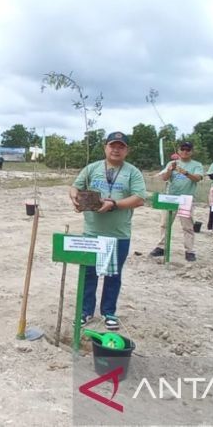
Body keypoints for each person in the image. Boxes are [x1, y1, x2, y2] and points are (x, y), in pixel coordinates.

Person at [69, 131, 146, 331]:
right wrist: (75, 198)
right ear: (105, 147)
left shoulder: (132, 172)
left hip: (118, 234)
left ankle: (109, 312)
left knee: (113, 274)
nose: (116, 150)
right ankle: (85, 312)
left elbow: (139, 198)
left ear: (126, 150)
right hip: (92, 233)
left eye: (121, 146)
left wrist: (114, 204)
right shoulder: (92, 168)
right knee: (89, 273)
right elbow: (74, 187)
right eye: (113, 145)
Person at [150, 141, 204, 261]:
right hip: (171, 198)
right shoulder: (172, 163)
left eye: (187, 149)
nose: (185, 151)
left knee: (187, 226)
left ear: (191, 151)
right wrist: (170, 170)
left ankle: (189, 250)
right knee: (165, 224)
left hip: (186, 199)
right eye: (182, 149)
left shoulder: (197, 165)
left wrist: (185, 172)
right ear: (178, 151)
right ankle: (161, 247)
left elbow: (197, 179)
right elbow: (164, 178)